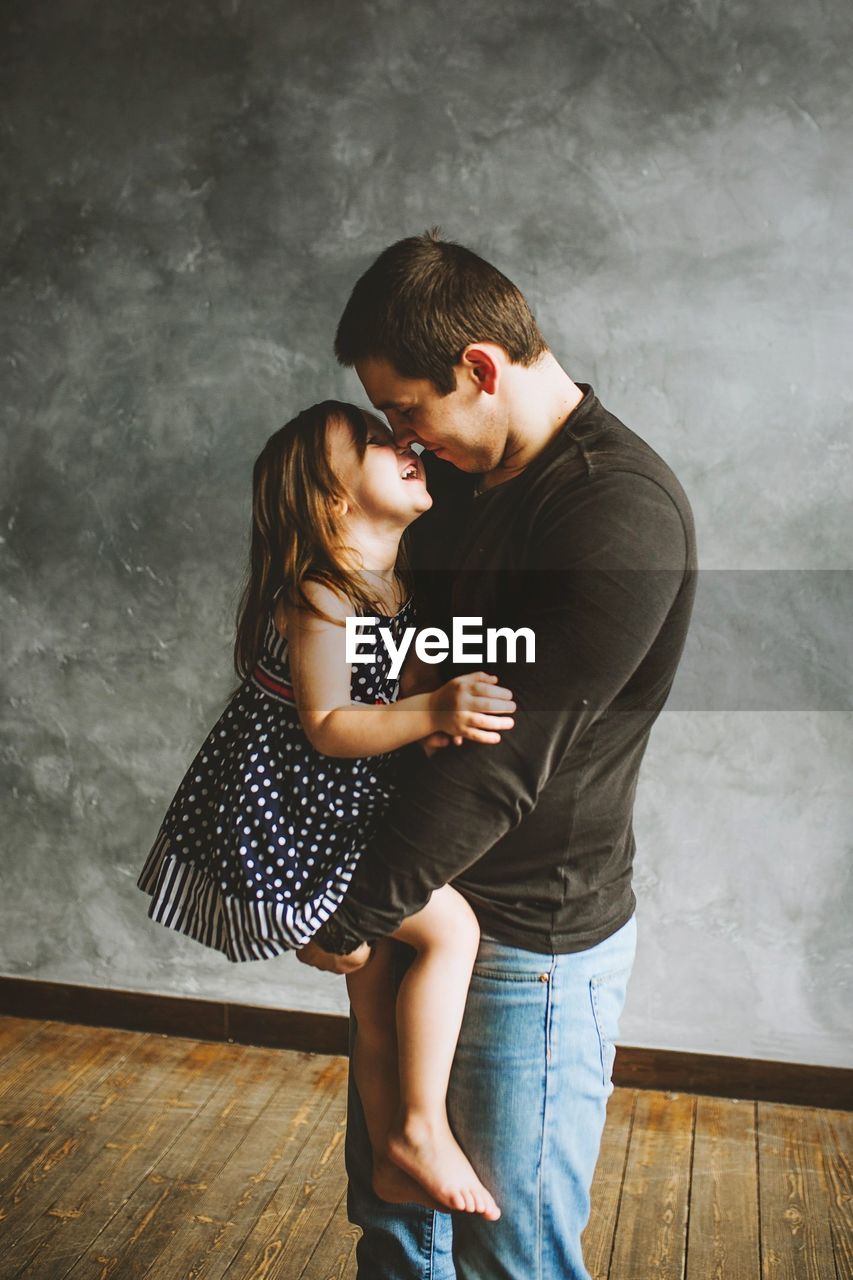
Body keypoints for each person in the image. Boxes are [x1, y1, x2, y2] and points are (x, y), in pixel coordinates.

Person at [297, 232, 698, 1279]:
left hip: (531, 937)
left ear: (479, 367)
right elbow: (396, 664)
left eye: (406, 410)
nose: (401, 438)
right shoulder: (452, 487)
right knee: (398, 1227)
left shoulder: (616, 512)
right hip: (418, 910)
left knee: (503, 1256)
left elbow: (502, 761)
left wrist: (356, 910)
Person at [136, 399, 519, 1219]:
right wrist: (433, 713)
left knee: (376, 988)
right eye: (379, 444)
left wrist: (426, 694)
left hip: (337, 809)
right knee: (451, 929)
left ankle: (390, 1159)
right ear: (334, 501)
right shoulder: (322, 595)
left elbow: (390, 677)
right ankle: (417, 1126)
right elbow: (330, 724)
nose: (405, 443)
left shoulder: (388, 578)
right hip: (294, 825)